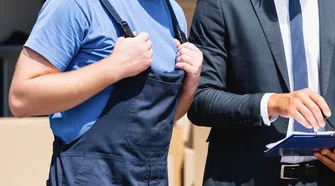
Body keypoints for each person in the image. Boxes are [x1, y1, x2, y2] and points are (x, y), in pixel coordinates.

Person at [186, 0, 335, 185]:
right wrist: (270, 104)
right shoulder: (221, 3)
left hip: (329, 178)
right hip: (246, 177)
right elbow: (200, 99)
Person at [8, 0, 203, 185]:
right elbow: (21, 99)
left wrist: (190, 87)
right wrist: (113, 67)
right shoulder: (76, 4)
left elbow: (160, 121)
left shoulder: (174, 14)